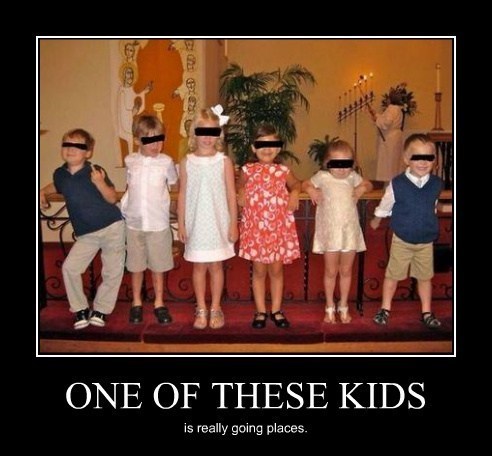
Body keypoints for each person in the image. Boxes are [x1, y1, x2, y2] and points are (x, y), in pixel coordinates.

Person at [39, 129, 125, 329]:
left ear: (88, 152)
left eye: (77, 146)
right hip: (86, 235)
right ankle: (80, 308)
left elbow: (112, 198)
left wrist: (100, 182)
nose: (71, 149)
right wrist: (42, 190)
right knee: (70, 268)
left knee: (112, 270)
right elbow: (57, 185)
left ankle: (101, 309)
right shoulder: (60, 174)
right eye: (67, 145)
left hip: (112, 227)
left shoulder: (95, 170)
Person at [370, 133, 442, 329]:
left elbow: (432, 205)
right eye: (417, 157)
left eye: (428, 157)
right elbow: (386, 203)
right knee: (392, 275)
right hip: (402, 238)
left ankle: (426, 312)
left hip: (425, 240)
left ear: (434, 160)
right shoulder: (398, 183)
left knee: (425, 278)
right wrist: (377, 218)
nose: (423, 162)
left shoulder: (436, 184)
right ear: (406, 159)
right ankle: (385, 309)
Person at [177, 107, 238, 329]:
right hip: (196, 223)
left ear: (218, 135)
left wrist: (233, 224)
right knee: (199, 267)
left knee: (216, 265)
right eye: (203, 131)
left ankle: (216, 307)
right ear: (194, 133)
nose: (207, 137)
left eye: (212, 132)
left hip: (218, 222)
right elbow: (182, 194)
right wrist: (181, 224)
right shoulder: (186, 162)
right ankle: (201, 307)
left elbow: (231, 194)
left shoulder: (224, 162)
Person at [237, 124, 301, 329]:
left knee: (276, 270)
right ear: (253, 148)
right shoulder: (247, 170)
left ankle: (276, 309)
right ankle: (260, 311)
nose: (267, 149)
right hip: (256, 230)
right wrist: (240, 191)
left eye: (272, 144)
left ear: (279, 148)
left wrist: (294, 193)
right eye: (262, 144)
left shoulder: (283, 171)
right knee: (258, 271)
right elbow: (239, 185)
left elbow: (296, 184)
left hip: (277, 229)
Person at [302, 140, 372, 324]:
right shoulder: (323, 176)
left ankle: (344, 304)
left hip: (349, 232)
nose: (341, 168)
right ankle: (329, 305)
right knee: (331, 271)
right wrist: (310, 190)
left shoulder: (352, 177)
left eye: (346, 163)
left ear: (352, 163)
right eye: (337, 163)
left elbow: (368, 184)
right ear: (328, 163)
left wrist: (362, 188)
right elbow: (305, 183)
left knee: (346, 270)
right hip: (330, 233)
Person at [121, 115, 178, 324]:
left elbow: (174, 186)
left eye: (159, 139)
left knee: (158, 265)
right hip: (134, 223)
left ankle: (159, 302)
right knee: (135, 265)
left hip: (158, 223)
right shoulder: (130, 160)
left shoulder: (166, 162)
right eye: (149, 140)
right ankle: (136, 302)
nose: (156, 145)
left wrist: (177, 213)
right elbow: (129, 186)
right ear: (138, 140)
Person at [368, 89, 404, 183]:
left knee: (388, 163)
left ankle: (388, 183)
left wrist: (377, 120)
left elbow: (386, 123)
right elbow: (385, 119)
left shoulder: (391, 109)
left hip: (389, 139)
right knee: (394, 163)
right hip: (395, 137)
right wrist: (375, 115)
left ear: (390, 99)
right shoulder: (398, 109)